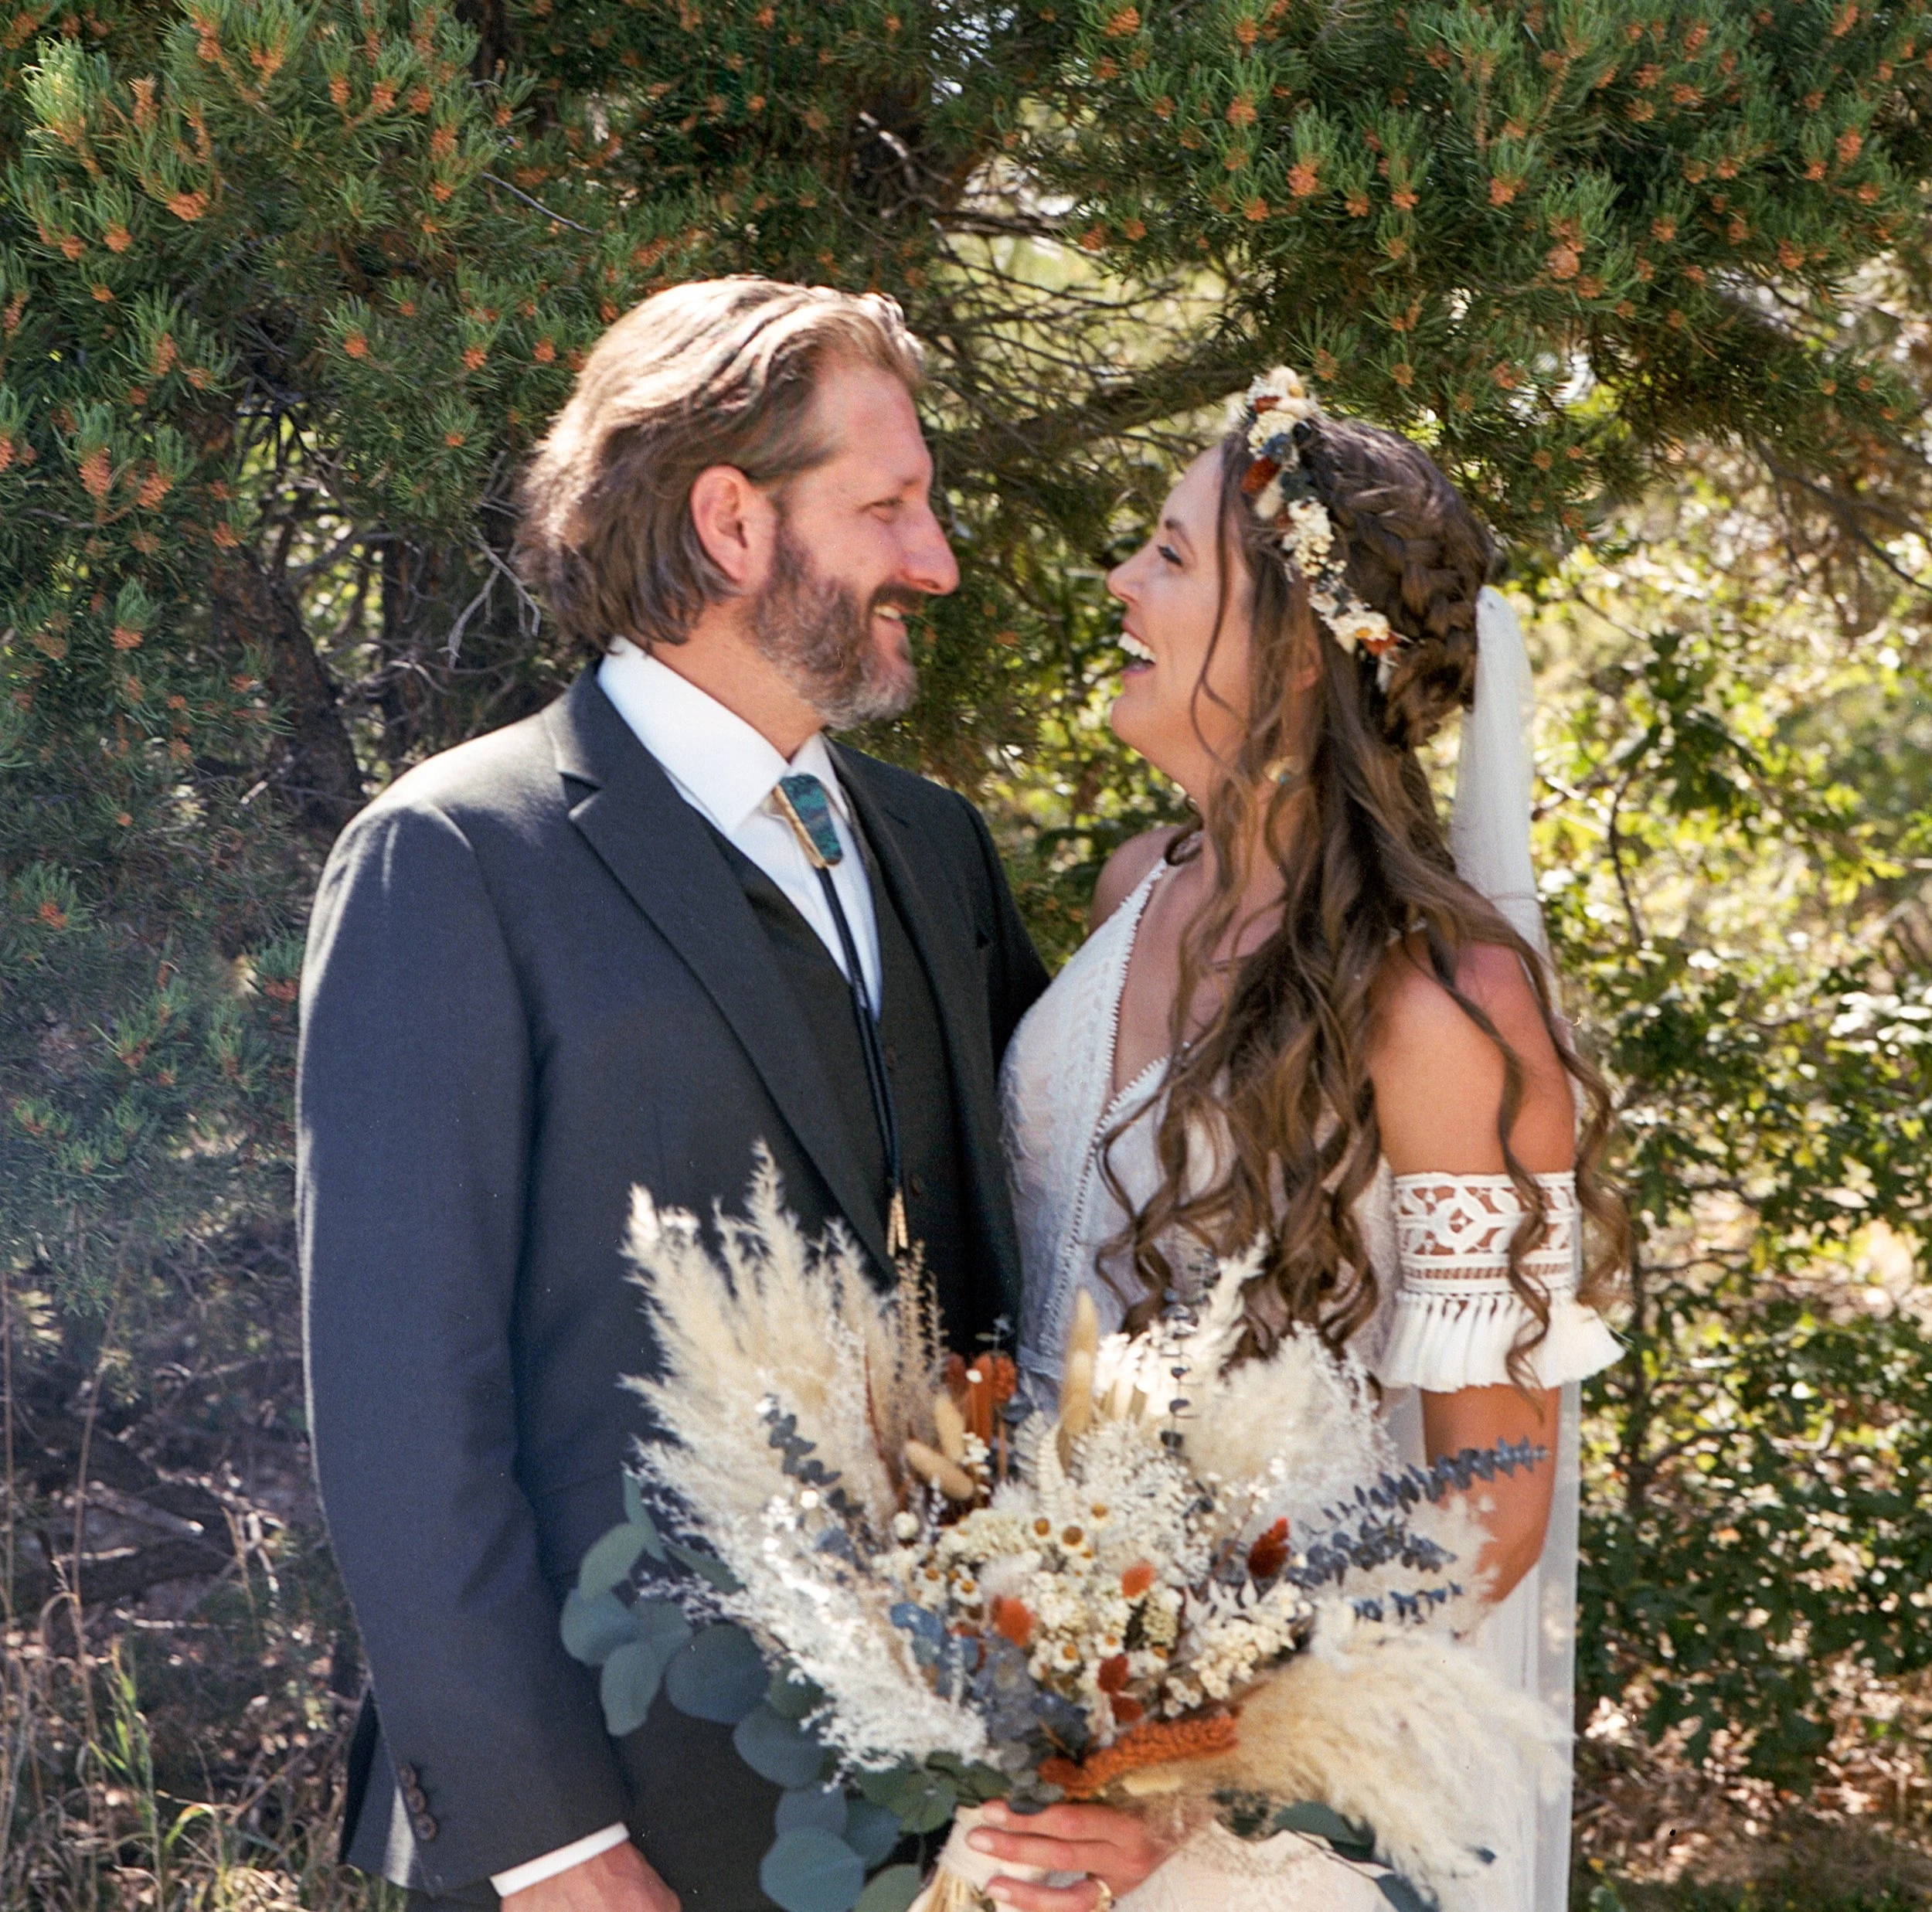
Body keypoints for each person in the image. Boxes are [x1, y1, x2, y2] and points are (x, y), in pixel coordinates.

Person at [298, 279, 1052, 1912]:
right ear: (728, 520)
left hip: (953, 1828)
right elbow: (397, 1408)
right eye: (887, 505)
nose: (933, 558)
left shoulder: (933, 849)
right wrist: (548, 1842)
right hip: (609, 1842)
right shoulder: (455, 860)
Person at [969, 373, 1627, 1911]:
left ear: (1284, 641)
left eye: (1167, 556)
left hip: (1247, 1813)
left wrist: (1201, 1771)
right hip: (1021, 1709)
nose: (1119, 582)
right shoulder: (1140, 874)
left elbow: (1491, 1498)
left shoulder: (1441, 997)